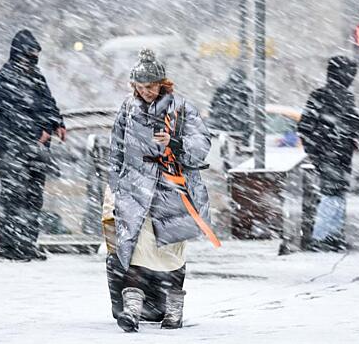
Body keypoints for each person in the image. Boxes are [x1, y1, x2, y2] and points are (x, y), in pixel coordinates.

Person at [108, 48, 212, 332]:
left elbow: (202, 144)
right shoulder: (127, 109)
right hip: (135, 190)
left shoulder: (181, 107)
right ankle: (131, 310)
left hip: (172, 189)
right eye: (139, 87)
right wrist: (115, 185)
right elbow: (116, 148)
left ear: (162, 83)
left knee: (172, 253)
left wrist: (175, 143)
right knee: (133, 248)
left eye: (150, 87)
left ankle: (174, 309)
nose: (145, 93)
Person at [0, 29, 66, 261]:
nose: (32, 58)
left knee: (33, 196)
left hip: (34, 147)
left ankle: (27, 244)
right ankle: (11, 248)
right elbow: (9, 112)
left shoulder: (36, 76)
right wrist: (35, 132)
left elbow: (47, 103)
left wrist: (56, 122)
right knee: (15, 196)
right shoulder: (6, 77)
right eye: (28, 54)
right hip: (11, 145)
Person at [298, 56, 359, 251]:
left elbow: (304, 125)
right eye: (350, 74)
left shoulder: (320, 95)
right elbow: (353, 121)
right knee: (333, 194)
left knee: (335, 193)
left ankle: (330, 236)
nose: (352, 78)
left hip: (329, 152)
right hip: (336, 152)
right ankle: (323, 237)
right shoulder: (341, 96)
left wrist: (313, 149)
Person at [208, 68, 252, 144]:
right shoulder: (245, 90)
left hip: (217, 125)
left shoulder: (221, 89)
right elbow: (249, 111)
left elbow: (212, 106)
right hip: (238, 127)